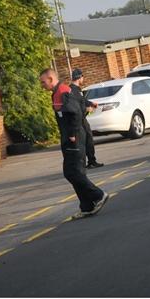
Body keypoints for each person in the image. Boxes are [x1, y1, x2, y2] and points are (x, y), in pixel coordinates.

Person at [39, 68, 109, 218]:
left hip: (74, 138)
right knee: (75, 172)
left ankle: (98, 195)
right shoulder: (59, 93)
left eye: (43, 82)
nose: (41, 85)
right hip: (70, 138)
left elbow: (76, 113)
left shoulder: (63, 92)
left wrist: (72, 134)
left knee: (71, 172)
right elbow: (80, 104)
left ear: (51, 79)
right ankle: (87, 206)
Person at [69, 69, 103, 169]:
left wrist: (91, 103)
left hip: (83, 119)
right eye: (82, 77)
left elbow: (82, 100)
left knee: (89, 140)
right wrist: (87, 108)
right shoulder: (73, 90)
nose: (83, 79)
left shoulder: (77, 89)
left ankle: (91, 161)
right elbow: (76, 105)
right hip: (79, 120)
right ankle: (84, 163)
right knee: (84, 142)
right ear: (79, 77)